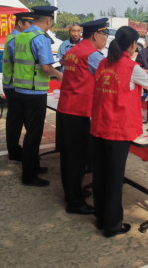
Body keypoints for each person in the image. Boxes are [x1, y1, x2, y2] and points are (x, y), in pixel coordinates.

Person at [90, 26, 148, 237]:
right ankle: (113, 226)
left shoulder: (103, 63)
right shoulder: (130, 66)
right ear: (132, 45)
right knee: (114, 179)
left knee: (100, 176)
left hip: (99, 127)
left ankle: (101, 218)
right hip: (117, 130)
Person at [56, 18, 108, 215]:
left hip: (65, 110)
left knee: (68, 157)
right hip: (78, 112)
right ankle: (74, 202)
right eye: (105, 35)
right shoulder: (93, 56)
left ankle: (72, 193)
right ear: (96, 35)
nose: (105, 39)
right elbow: (109, 78)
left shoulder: (71, 51)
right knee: (77, 159)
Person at [13, 6, 63, 187]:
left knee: (30, 132)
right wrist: (59, 75)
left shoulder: (22, 35)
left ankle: (33, 167)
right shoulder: (40, 39)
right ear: (48, 20)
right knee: (34, 135)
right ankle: (29, 176)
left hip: (20, 90)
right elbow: (45, 67)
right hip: (34, 91)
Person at [2, 11, 34, 163]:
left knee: (17, 119)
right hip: (12, 85)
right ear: (20, 23)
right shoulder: (15, 39)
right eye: (29, 24)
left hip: (14, 84)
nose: (31, 27)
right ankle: (14, 151)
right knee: (15, 120)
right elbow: (19, 59)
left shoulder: (16, 38)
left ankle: (15, 149)